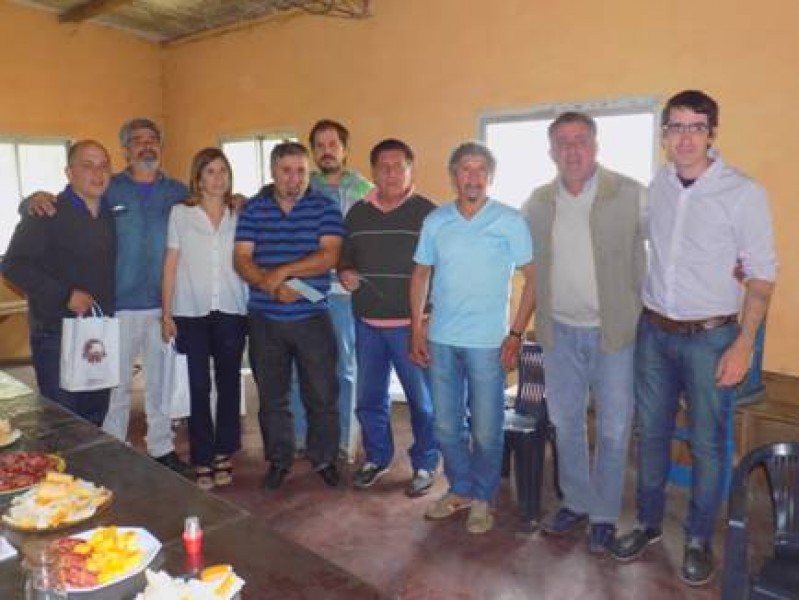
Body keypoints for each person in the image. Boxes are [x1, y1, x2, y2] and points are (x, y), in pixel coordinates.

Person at [610, 90, 777, 586]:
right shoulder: (657, 186)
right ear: (664, 135)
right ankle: (648, 524)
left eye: (696, 127)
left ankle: (700, 538)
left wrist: (743, 345)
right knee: (651, 435)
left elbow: (762, 277)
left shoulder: (742, 192)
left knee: (707, 444)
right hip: (654, 332)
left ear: (712, 134)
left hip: (712, 338)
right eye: (676, 127)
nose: (685, 138)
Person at [24, 118, 190, 474]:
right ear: (126, 150)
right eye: (138, 140)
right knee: (113, 387)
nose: (146, 145)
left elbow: (208, 206)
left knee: (161, 384)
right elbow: (63, 203)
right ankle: (113, 448)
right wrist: (30, 201)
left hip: (163, 305)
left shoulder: (178, 191)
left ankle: (162, 448)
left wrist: (236, 199)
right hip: (115, 308)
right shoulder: (109, 188)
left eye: (152, 139)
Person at [520, 112, 647, 553]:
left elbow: (674, 241)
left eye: (580, 140)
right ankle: (576, 501)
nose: (572, 149)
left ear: (596, 146)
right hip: (559, 333)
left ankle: (604, 515)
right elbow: (518, 254)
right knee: (565, 422)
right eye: (563, 142)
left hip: (614, 335)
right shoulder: (538, 202)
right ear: (551, 151)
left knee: (614, 427)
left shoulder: (630, 194)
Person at [410, 141, 536, 534]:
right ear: (454, 175)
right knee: (446, 427)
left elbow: (534, 280)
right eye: (466, 168)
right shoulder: (436, 221)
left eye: (482, 169)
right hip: (442, 340)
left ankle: (483, 498)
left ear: (491, 177)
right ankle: (460, 489)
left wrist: (515, 333)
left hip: (487, 343)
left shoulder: (510, 221)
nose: (474, 177)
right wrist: (416, 329)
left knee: (486, 429)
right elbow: (420, 275)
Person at [234, 142, 345, 490]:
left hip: (313, 318)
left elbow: (329, 256)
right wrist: (270, 287)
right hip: (265, 320)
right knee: (272, 397)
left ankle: (324, 458)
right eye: (286, 171)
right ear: (273, 171)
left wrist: (283, 271)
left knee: (322, 395)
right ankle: (279, 460)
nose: (294, 179)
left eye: (301, 171)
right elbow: (241, 258)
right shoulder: (253, 209)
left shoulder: (325, 207)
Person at [338, 138, 439, 496]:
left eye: (399, 166)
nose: (391, 173)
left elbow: (441, 270)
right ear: (373, 172)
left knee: (422, 403)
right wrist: (345, 273)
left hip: (412, 327)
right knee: (369, 400)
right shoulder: (357, 213)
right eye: (383, 167)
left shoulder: (429, 214)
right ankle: (377, 457)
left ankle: (425, 463)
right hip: (367, 325)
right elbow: (345, 257)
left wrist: (426, 320)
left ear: (411, 170)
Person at [4, 140, 115, 426]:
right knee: (64, 423)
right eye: (87, 165)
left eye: (104, 165)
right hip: (56, 334)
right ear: (69, 172)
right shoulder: (46, 212)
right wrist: (65, 295)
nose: (97, 173)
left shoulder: (110, 213)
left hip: (98, 332)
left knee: (95, 418)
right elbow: (13, 265)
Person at [161, 148, 248, 491]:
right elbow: (170, 265)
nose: (218, 178)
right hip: (190, 312)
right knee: (198, 386)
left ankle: (224, 451)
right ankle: (202, 455)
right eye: (210, 171)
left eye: (223, 171)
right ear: (198, 178)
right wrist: (166, 313)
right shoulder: (181, 214)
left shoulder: (239, 213)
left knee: (229, 384)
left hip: (231, 309)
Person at [289, 119, 373, 457]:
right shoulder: (300, 188)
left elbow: (371, 241)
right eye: (320, 146)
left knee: (344, 367)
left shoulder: (366, 191)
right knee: (300, 366)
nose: (326, 152)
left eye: (333, 145)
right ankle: (300, 436)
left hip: (343, 293)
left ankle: (341, 440)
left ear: (345, 149)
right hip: (305, 289)